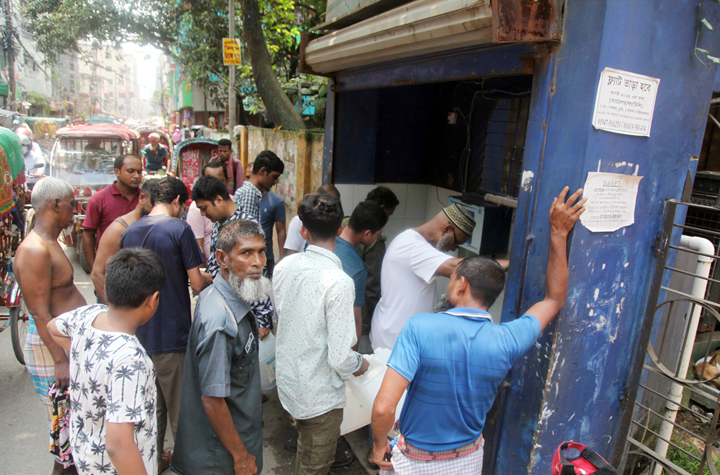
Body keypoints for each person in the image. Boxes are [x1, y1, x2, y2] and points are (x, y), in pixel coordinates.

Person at [369, 187, 586, 474]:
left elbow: (384, 408)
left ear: (461, 285)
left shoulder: (419, 328)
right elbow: (554, 299)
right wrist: (558, 234)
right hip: (468, 462)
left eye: (451, 281)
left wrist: (378, 445)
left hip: (415, 463)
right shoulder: (508, 339)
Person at [47, 248, 166, 475]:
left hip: (86, 459)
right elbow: (119, 445)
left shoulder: (88, 314)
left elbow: (52, 327)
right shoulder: (131, 359)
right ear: (153, 300)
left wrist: (83, 352)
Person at [120, 176, 212, 472]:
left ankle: (154, 460)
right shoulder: (179, 229)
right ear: (176, 202)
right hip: (172, 333)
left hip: (139, 334)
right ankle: (186, 465)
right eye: (183, 206)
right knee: (180, 410)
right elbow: (197, 283)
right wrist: (209, 278)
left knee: (151, 408)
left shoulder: (129, 231)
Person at [274, 193, 369, 475]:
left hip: (290, 384)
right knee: (314, 466)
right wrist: (361, 363)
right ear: (340, 230)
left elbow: (284, 319)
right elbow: (341, 357)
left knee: (306, 452)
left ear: (303, 231)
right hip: (319, 399)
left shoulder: (283, 267)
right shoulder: (340, 282)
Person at [172, 220, 270, 475]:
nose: (258, 262)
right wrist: (241, 457)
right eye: (246, 253)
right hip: (221, 457)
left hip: (237, 437)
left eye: (261, 251)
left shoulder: (224, 295)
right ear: (222, 259)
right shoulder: (220, 321)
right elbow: (213, 400)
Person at [14, 177, 87, 475]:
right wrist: (60, 360)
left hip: (62, 344)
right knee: (64, 437)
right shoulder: (35, 250)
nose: (75, 211)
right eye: (72, 204)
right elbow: (39, 312)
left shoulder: (49, 243)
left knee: (73, 432)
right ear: (55, 205)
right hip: (52, 348)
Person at [370, 203, 489, 351]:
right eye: (457, 243)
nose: (454, 248)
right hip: (396, 340)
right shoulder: (413, 247)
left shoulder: (410, 239)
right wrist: (511, 263)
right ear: (447, 229)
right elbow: (461, 268)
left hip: (396, 334)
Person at [191, 175, 274, 338]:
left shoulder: (246, 227)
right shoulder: (219, 222)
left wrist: (262, 320)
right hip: (224, 305)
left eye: (204, 208)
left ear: (219, 200)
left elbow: (257, 274)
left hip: (244, 312)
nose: (202, 213)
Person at [344, 187, 399, 350]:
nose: (388, 218)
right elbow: (372, 286)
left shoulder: (344, 225)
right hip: (360, 319)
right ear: (382, 208)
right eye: (389, 214)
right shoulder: (375, 241)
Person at [91, 179, 158, 303]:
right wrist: (113, 309)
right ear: (142, 198)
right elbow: (98, 273)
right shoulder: (118, 230)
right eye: (154, 204)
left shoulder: (155, 225)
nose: (158, 210)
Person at [335, 200, 388, 351]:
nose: (377, 238)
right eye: (377, 235)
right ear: (366, 234)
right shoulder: (357, 268)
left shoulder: (325, 243)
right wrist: (354, 358)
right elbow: (355, 319)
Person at [81, 154, 142, 272]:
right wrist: (95, 270)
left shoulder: (146, 199)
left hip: (141, 266)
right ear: (117, 172)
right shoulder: (98, 199)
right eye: (130, 171)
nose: (136, 176)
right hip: (110, 268)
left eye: (139, 172)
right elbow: (88, 235)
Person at [187, 162, 228, 261]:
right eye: (209, 181)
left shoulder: (232, 206)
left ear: (227, 181)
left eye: (219, 181)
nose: (213, 187)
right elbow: (198, 250)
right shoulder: (198, 208)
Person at [284, 184, 340, 256]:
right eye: (328, 203)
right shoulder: (298, 221)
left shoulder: (334, 221)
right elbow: (290, 253)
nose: (332, 207)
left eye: (336, 204)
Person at [233, 150, 284, 221]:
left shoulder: (246, 190)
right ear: (262, 172)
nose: (276, 181)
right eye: (274, 177)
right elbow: (247, 227)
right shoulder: (249, 194)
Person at [260, 188, 287, 275]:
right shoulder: (244, 196)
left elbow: (281, 231)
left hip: (267, 257)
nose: (276, 182)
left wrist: (282, 257)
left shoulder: (276, 201)